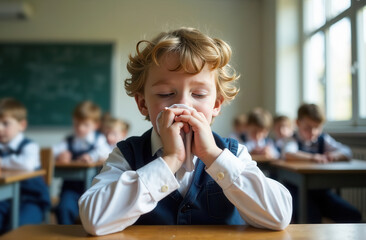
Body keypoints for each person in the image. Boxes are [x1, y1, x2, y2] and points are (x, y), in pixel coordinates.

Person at [78, 27, 292, 236]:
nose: (183, 105)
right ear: (143, 103)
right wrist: (171, 160)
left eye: (198, 94)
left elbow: (279, 216)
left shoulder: (233, 153)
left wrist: (213, 156)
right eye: (166, 93)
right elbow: (93, 219)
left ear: (216, 104)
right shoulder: (127, 154)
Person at [282, 103, 362, 223]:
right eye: (308, 127)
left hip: (321, 193)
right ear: (298, 123)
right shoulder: (292, 139)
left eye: (317, 127)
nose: (313, 132)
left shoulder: (323, 139)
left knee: (353, 215)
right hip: (297, 192)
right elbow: (288, 153)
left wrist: (333, 156)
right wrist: (313, 157)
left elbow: (346, 151)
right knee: (311, 219)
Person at [52, 100, 110, 225]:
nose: (80, 128)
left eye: (85, 124)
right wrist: (60, 155)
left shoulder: (99, 139)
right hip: (71, 189)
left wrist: (91, 156)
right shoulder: (69, 140)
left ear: (96, 125)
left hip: (93, 189)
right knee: (63, 208)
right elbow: (53, 151)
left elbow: (105, 153)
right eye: (76, 124)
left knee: (96, 214)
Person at [0, 98, 50, 233]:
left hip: (31, 199)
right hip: (5, 199)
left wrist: (2, 162)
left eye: (5, 123)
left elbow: (27, 165)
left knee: (16, 228)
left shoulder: (30, 146)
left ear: (21, 125)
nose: (0, 128)